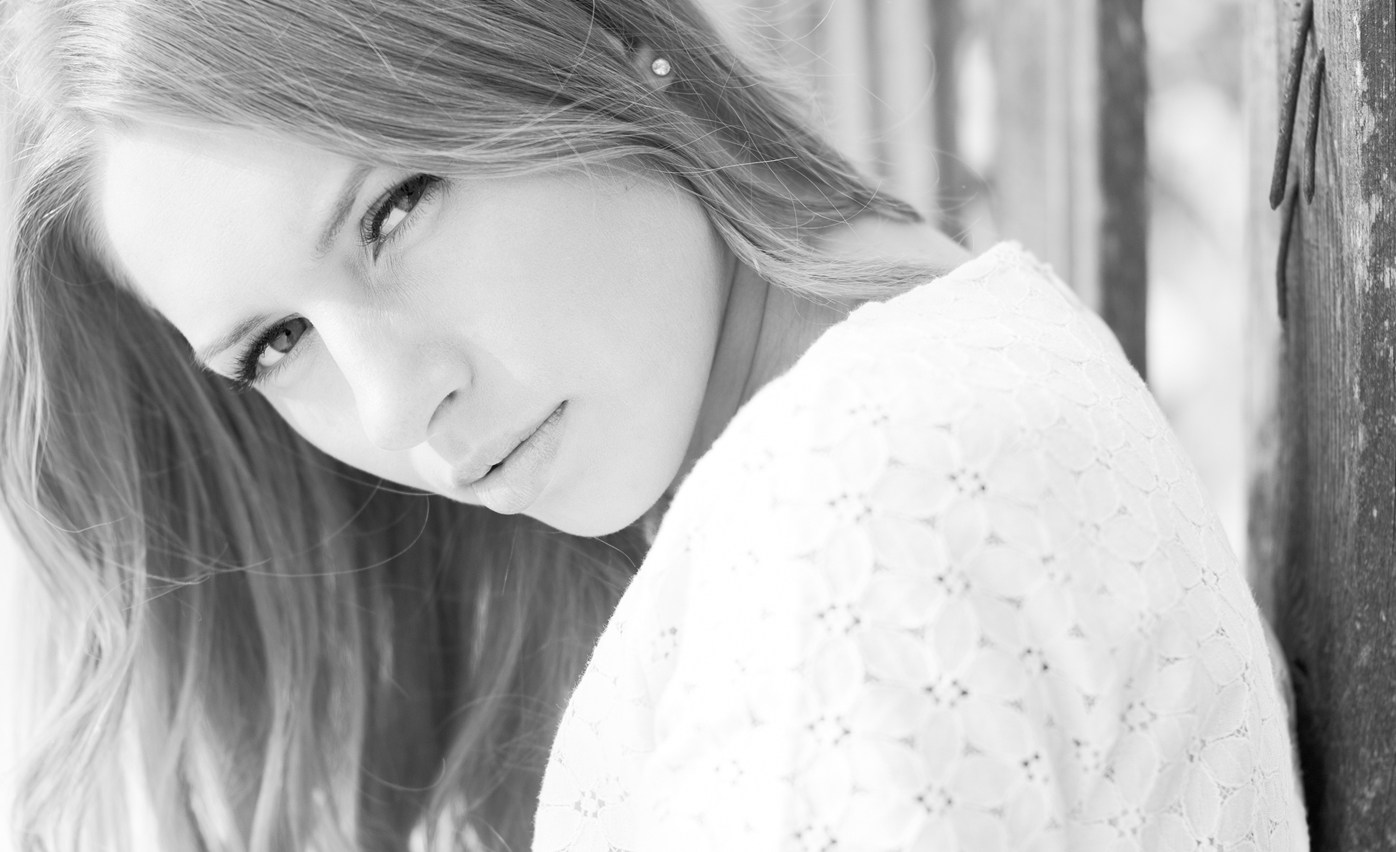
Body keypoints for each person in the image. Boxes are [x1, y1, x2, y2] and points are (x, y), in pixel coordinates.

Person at [0, 0, 1307, 850]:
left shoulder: (864, 498)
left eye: (394, 209)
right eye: (276, 346)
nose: (395, 403)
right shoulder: (895, 416)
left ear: (590, 38)